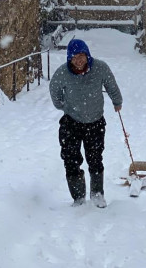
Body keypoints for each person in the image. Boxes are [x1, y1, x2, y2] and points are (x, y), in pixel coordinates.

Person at [49, 38, 122, 208]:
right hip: (71, 122)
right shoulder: (62, 73)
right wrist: (62, 105)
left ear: (87, 55)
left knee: (95, 158)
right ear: (70, 59)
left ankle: (97, 194)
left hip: (95, 122)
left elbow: (111, 84)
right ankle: (79, 197)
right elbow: (54, 89)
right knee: (71, 159)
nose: (79, 60)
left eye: (81, 55)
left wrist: (117, 101)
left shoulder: (100, 67)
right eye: (75, 57)